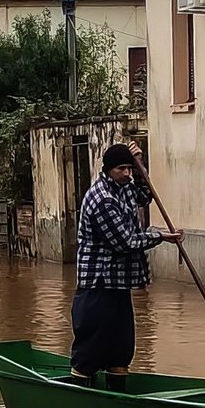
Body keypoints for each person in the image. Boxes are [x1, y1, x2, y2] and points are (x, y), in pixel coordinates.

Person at [70, 141, 183, 392]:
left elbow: (145, 195)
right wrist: (161, 237)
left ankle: (117, 396)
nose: (127, 173)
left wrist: (141, 165)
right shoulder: (102, 199)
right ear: (109, 169)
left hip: (119, 283)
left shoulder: (126, 186)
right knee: (90, 348)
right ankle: (80, 396)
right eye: (122, 169)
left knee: (121, 349)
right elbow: (125, 242)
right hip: (97, 284)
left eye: (129, 168)